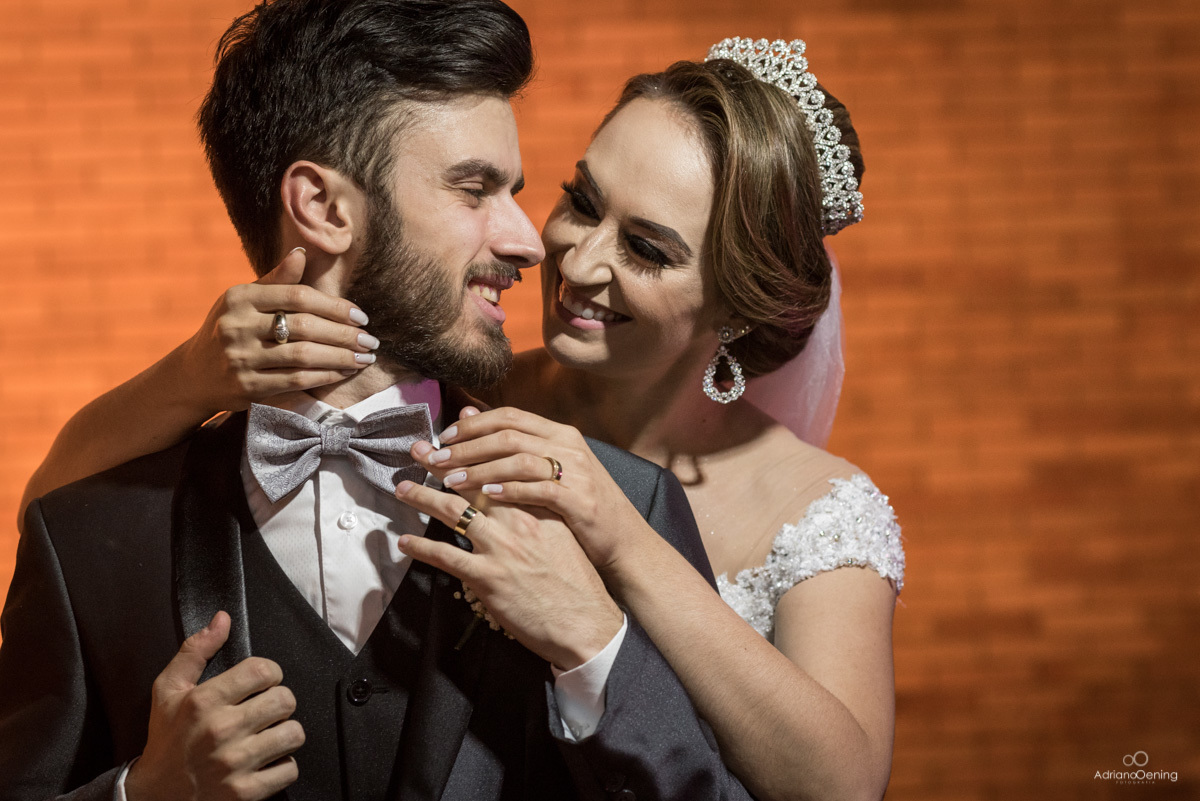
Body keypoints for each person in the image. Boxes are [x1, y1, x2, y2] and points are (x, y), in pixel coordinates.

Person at [15, 35, 905, 801]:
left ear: (733, 306)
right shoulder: (466, 388)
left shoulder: (797, 504)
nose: (560, 253)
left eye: (645, 248)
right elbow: (62, 505)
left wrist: (617, 566)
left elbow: (832, 782)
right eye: (582, 201)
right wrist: (197, 373)